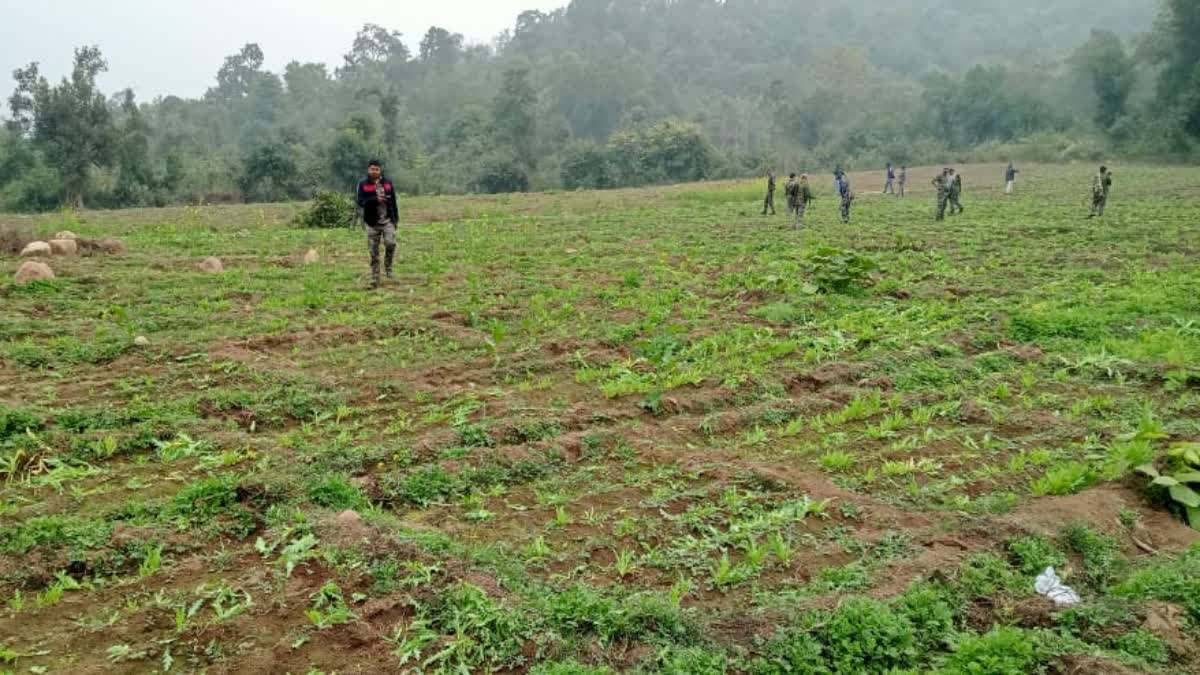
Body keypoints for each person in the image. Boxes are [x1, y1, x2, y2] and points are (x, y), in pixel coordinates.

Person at [356, 159, 400, 288]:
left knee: (391, 243)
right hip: (372, 222)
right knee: (373, 251)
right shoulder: (363, 184)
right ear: (368, 170)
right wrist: (375, 199)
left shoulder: (388, 183)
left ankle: (388, 267)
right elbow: (361, 201)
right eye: (372, 169)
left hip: (388, 220)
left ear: (380, 170)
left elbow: (394, 202)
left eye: (376, 169)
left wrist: (395, 219)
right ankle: (375, 275)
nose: (374, 171)